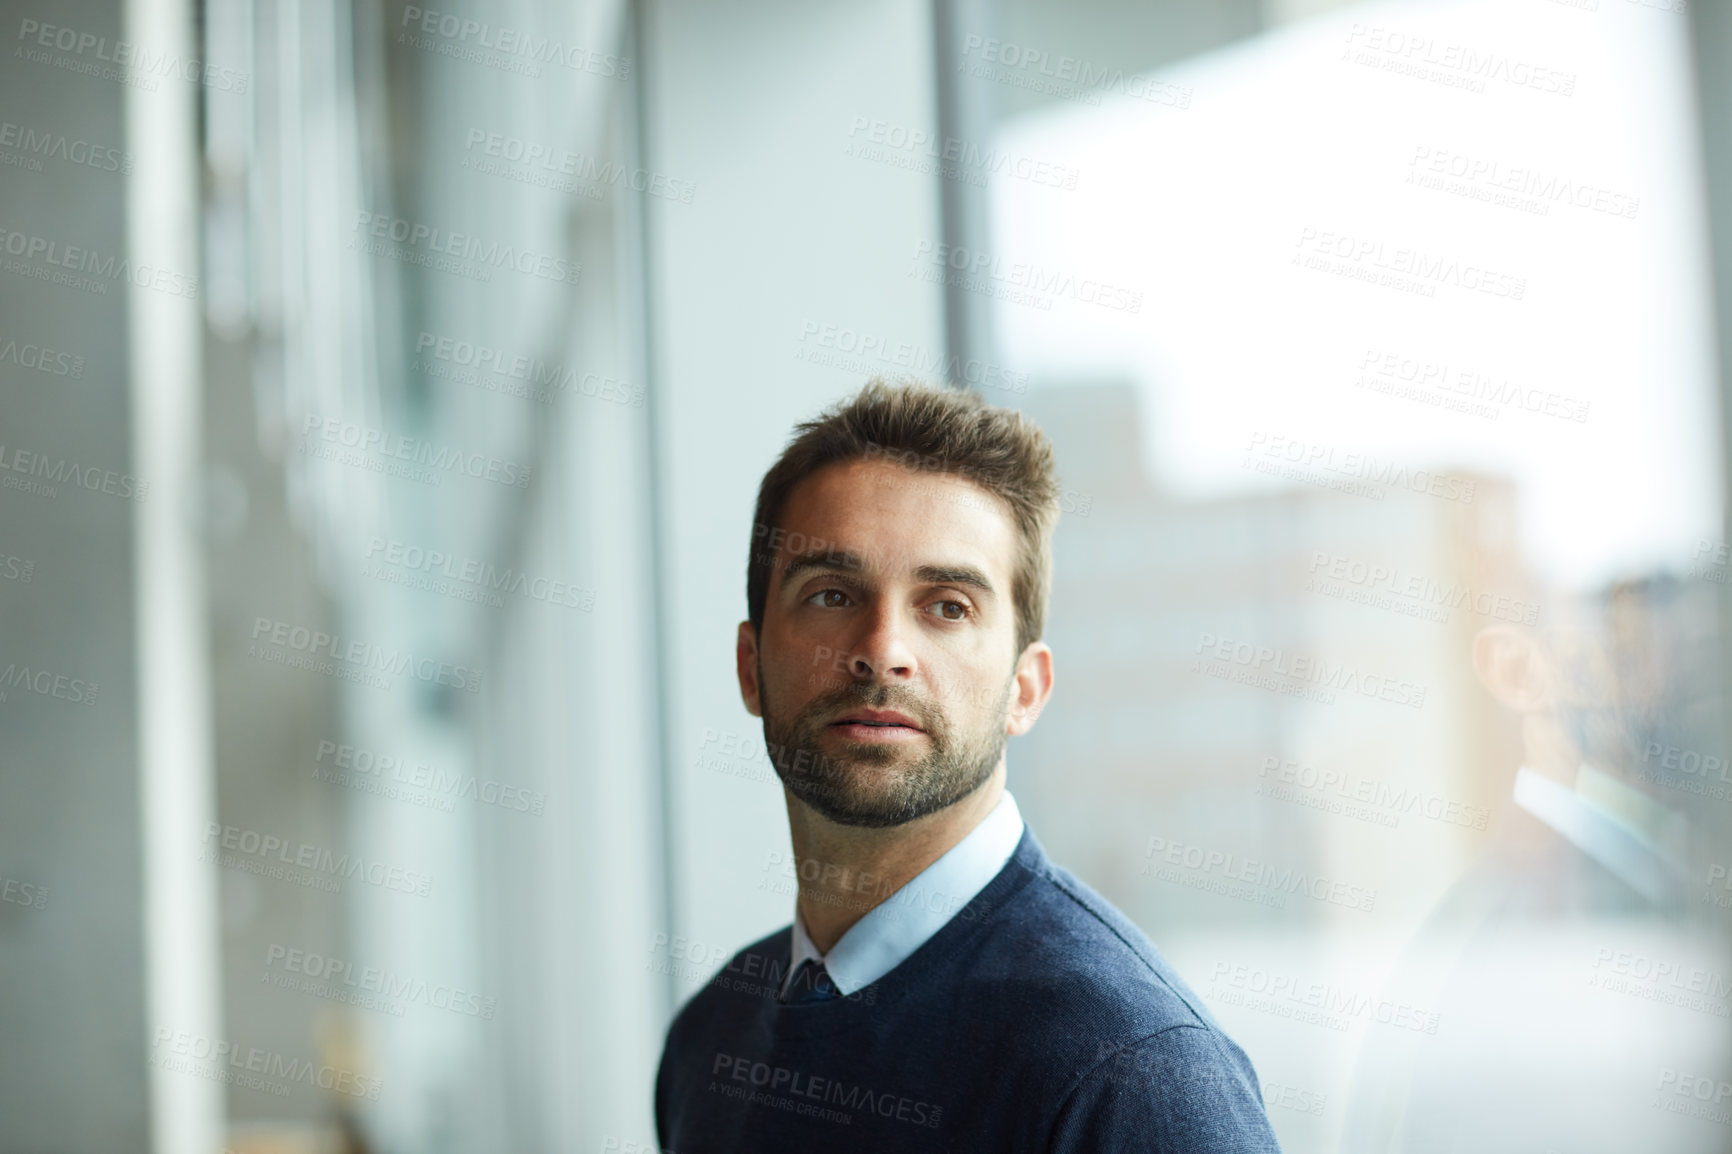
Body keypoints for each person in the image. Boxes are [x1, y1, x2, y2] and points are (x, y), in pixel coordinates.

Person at [654, 379, 1282, 1152]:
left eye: (948, 606)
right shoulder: (710, 1038)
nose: (882, 650)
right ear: (751, 667)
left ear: (1025, 689)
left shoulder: (1134, 1072)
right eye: (829, 594)